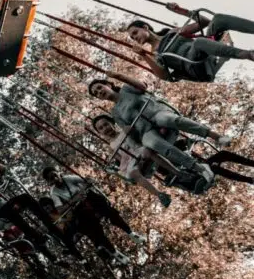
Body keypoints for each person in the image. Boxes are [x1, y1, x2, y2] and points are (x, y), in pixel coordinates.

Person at [88, 74, 233, 191]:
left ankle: (215, 136)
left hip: (155, 113)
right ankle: (198, 168)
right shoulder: (115, 112)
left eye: (100, 87)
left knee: (170, 120)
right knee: (156, 144)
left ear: (108, 84)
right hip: (145, 130)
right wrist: (131, 135)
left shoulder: (126, 89)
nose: (100, 92)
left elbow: (142, 87)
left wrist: (119, 76)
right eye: (96, 93)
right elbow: (129, 133)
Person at [40, 166, 142, 264]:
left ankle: (130, 232)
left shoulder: (68, 178)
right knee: (94, 230)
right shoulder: (54, 193)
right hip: (79, 209)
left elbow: (88, 180)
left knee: (109, 211)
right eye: (51, 179)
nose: (55, 179)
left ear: (58, 173)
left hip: (89, 200)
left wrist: (85, 185)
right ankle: (113, 251)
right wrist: (74, 200)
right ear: (50, 182)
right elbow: (60, 209)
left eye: (55, 175)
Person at [126, 10, 254, 83]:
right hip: (194, 65)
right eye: (132, 38)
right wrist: (143, 55)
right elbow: (165, 76)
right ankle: (248, 54)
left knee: (218, 19)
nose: (135, 38)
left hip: (206, 50)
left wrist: (181, 11)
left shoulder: (171, 33)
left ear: (145, 27)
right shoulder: (154, 53)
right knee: (198, 43)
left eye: (135, 33)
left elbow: (204, 22)